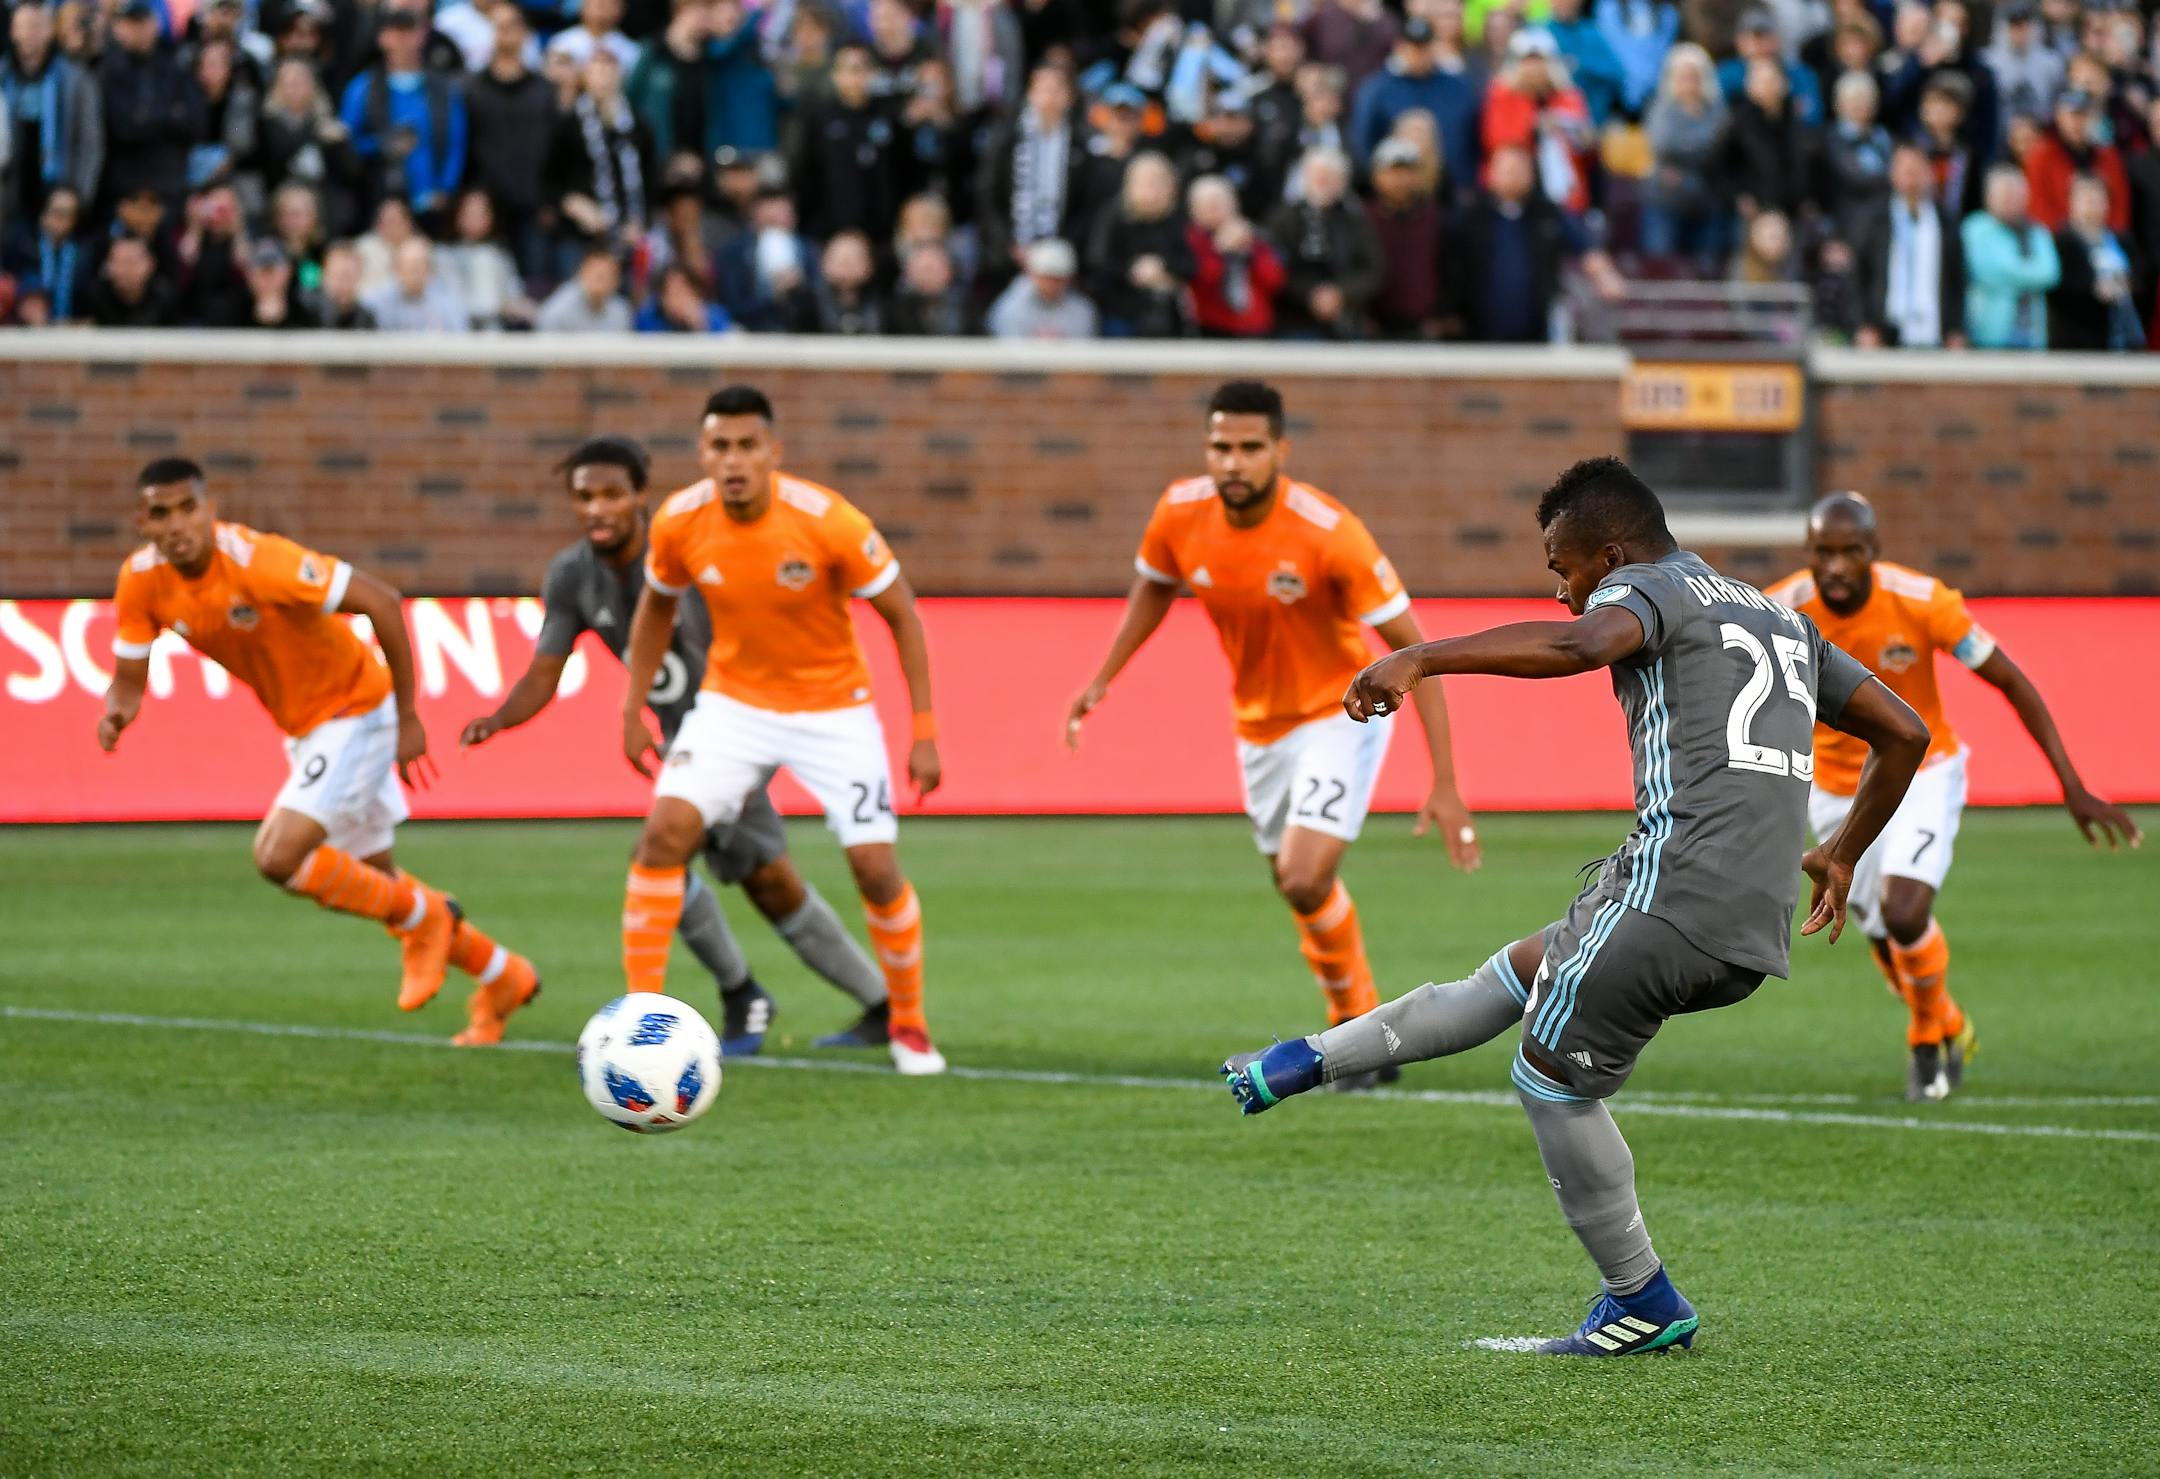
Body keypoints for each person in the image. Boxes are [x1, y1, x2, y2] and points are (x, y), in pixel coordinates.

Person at [1221, 457, 1930, 1355]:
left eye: (1565, 569)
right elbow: (1905, 731)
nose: (1562, 592)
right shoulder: (1778, 614)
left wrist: (1420, 656)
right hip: (1748, 920)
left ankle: (1641, 1298)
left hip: (1673, 892)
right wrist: (1843, 850)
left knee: (1549, 1078)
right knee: (1510, 978)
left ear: (1613, 554)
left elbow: (1581, 645)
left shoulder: (1650, 587)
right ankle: (1306, 1059)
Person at [1068, 381, 1480, 1077]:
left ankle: (1354, 1032)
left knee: (1302, 874)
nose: (1233, 462)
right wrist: (1104, 675)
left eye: (1250, 447)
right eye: (1220, 447)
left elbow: (1419, 654)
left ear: (1280, 451)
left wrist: (1445, 782)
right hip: (1258, 728)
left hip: (1342, 712)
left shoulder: (1329, 532)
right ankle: (1358, 1026)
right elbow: (1155, 586)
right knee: (1295, 886)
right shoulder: (1179, 511)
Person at [460, 437, 892, 1055]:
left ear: (640, 496)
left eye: (612, 494)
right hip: (686, 745)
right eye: (584, 497)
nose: (597, 509)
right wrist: (499, 719)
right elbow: (543, 673)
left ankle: (751, 999)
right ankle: (849, 1003)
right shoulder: (572, 575)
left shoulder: (682, 555)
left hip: (735, 733)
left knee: (691, 864)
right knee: (744, 877)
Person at [99, 460, 540, 1045]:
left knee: (279, 856)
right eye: (161, 513)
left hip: (357, 709)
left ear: (210, 509)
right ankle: (503, 975)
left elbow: (382, 601)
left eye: (187, 508)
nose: (177, 524)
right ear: (143, 523)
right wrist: (118, 711)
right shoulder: (140, 580)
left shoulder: (262, 561)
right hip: (309, 728)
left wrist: (409, 716)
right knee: (375, 881)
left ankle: (427, 917)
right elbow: (128, 679)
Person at [616, 386, 948, 1076]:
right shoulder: (680, 520)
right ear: (702, 452)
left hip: (835, 710)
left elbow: (903, 613)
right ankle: (639, 1020)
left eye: (747, 446)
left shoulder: (828, 520)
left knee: (874, 865)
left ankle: (909, 1024)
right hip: (733, 706)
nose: (733, 461)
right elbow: (655, 607)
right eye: (720, 447)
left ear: (774, 452)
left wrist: (923, 729)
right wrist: (630, 706)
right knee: (663, 835)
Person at [1768, 493, 2140, 1100]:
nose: (1835, 566)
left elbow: (2011, 680)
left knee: (1904, 912)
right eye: (1822, 552)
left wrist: (2071, 786)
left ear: (1873, 551)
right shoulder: (1781, 612)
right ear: (1807, 552)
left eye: (1850, 551)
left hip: (1923, 773)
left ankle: (1924, 1044)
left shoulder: (1924, 602)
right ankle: (1949, 1023)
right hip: (1835, 789)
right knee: (1884, 938)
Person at [339, 7, 468, 223]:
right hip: (377, 203)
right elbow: (347, 143)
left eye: (410, 31)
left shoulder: (443, 89)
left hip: (431, 205)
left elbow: (456, 143)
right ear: (382, 37)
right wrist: (381, 145)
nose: (403, 39)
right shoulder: (363, 87)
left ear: (423, 35)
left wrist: (446, 188)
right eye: (396, 31)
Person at [1848, 139, 1967, 347]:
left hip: (1936, 334)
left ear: (1929, 174)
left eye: (1916, 169)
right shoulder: (1872, 218)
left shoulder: (1946, 221)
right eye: (1904, 169)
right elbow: (1856, 275)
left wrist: (1955, 328)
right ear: (1892, 174)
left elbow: (1958, 280)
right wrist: (1862, 325)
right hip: (1882, 334)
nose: (1910, 175)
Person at [2, 2, 105, 230]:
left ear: (50, 31)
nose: (30, 34)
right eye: (24, 26)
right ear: (13, 32)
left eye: (36, 26)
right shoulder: (4, 77)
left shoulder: (76, 79)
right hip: (11, 194)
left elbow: (90, 144)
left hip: (60, 193)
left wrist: (77, 194)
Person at [99, 0, 205, 211]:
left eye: (143, 22)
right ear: (118, 28)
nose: (139, 30)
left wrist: (144, 117)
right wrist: (169, 116)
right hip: (124, 186)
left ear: (155, 24)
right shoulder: (108, 70)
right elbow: (121, 128)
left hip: (169, 183)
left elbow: (195, 123)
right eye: (132, 23)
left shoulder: (175, 66)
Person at [1266, 147, 1381, 338]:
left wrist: (1341, 294)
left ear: (1344, 181)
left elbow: (1372, 270)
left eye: (1331, 177)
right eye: (1318, 176)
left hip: (1346, 320)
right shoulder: (1283, 219)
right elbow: (1274, 268)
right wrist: (1310, 295)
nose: (1324, 182)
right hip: (1294, 322)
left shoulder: (1357, 220)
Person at [1084, 151, 1191, 338]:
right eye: (1146, 181)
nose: (1153, 188)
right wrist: (1132, 271)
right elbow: (1098, 263)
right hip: (1119, 312)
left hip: (1169, 315)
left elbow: (1192, 264)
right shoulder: (1113, 216)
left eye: (1159, 181)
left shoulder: (1180, 219)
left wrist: (1163, 267)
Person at [1639, 41, 1725, 262]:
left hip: (1707, 198)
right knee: (1661, 265)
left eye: (1693, 76)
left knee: (1708, 266)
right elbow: (1663, 144)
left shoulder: (1716, 109)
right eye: (1682, 76)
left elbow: (1720, 147)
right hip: (1665, 200)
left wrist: (1684, 152)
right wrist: (1701, 148)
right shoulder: (1660, 108)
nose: (1688, 83)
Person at [1961, 163, 2057, 349]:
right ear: (1988, 197)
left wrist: (2010, 273)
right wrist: (2029, 272)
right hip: (1988, 336)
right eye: (2004, 194)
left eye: (2014, 194)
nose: (2009, 200)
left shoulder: (2037, 231)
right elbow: (1987, 272)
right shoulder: (1974, 228)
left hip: (2032, 337)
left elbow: (2049, 273)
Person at [1184, 173, 1285, 337]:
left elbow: (1275, 281)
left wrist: (1250, 250)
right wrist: (1218, 250)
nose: (1213, 211)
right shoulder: (1191, 240)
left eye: (1218, 204)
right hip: (1211, 328)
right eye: (1207, 205)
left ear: (1234, 204)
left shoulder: (1256, 237)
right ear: (1194, 211)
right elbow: (1202, 280)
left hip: (1256, 327)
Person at [985, 233, 1096, 337]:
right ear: (1032, 273)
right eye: (1048, 276)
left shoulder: (1082, 310)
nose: (1053, 283)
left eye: (1059, 278)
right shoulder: (1009, 308)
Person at [364, 234, 469, 329]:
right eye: (410, 267)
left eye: (420, 266)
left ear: (430, 270)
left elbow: (460, 334)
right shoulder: (378, 301)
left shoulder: (446, 301)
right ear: (396, 270)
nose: (415, 273)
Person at [535, 245, 634, 331]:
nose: (602, 280)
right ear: (582, 273)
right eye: (597, 275)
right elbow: (544, 329)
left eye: (609, 275)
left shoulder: (621, 311)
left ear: (617, 281)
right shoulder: (560, 307)